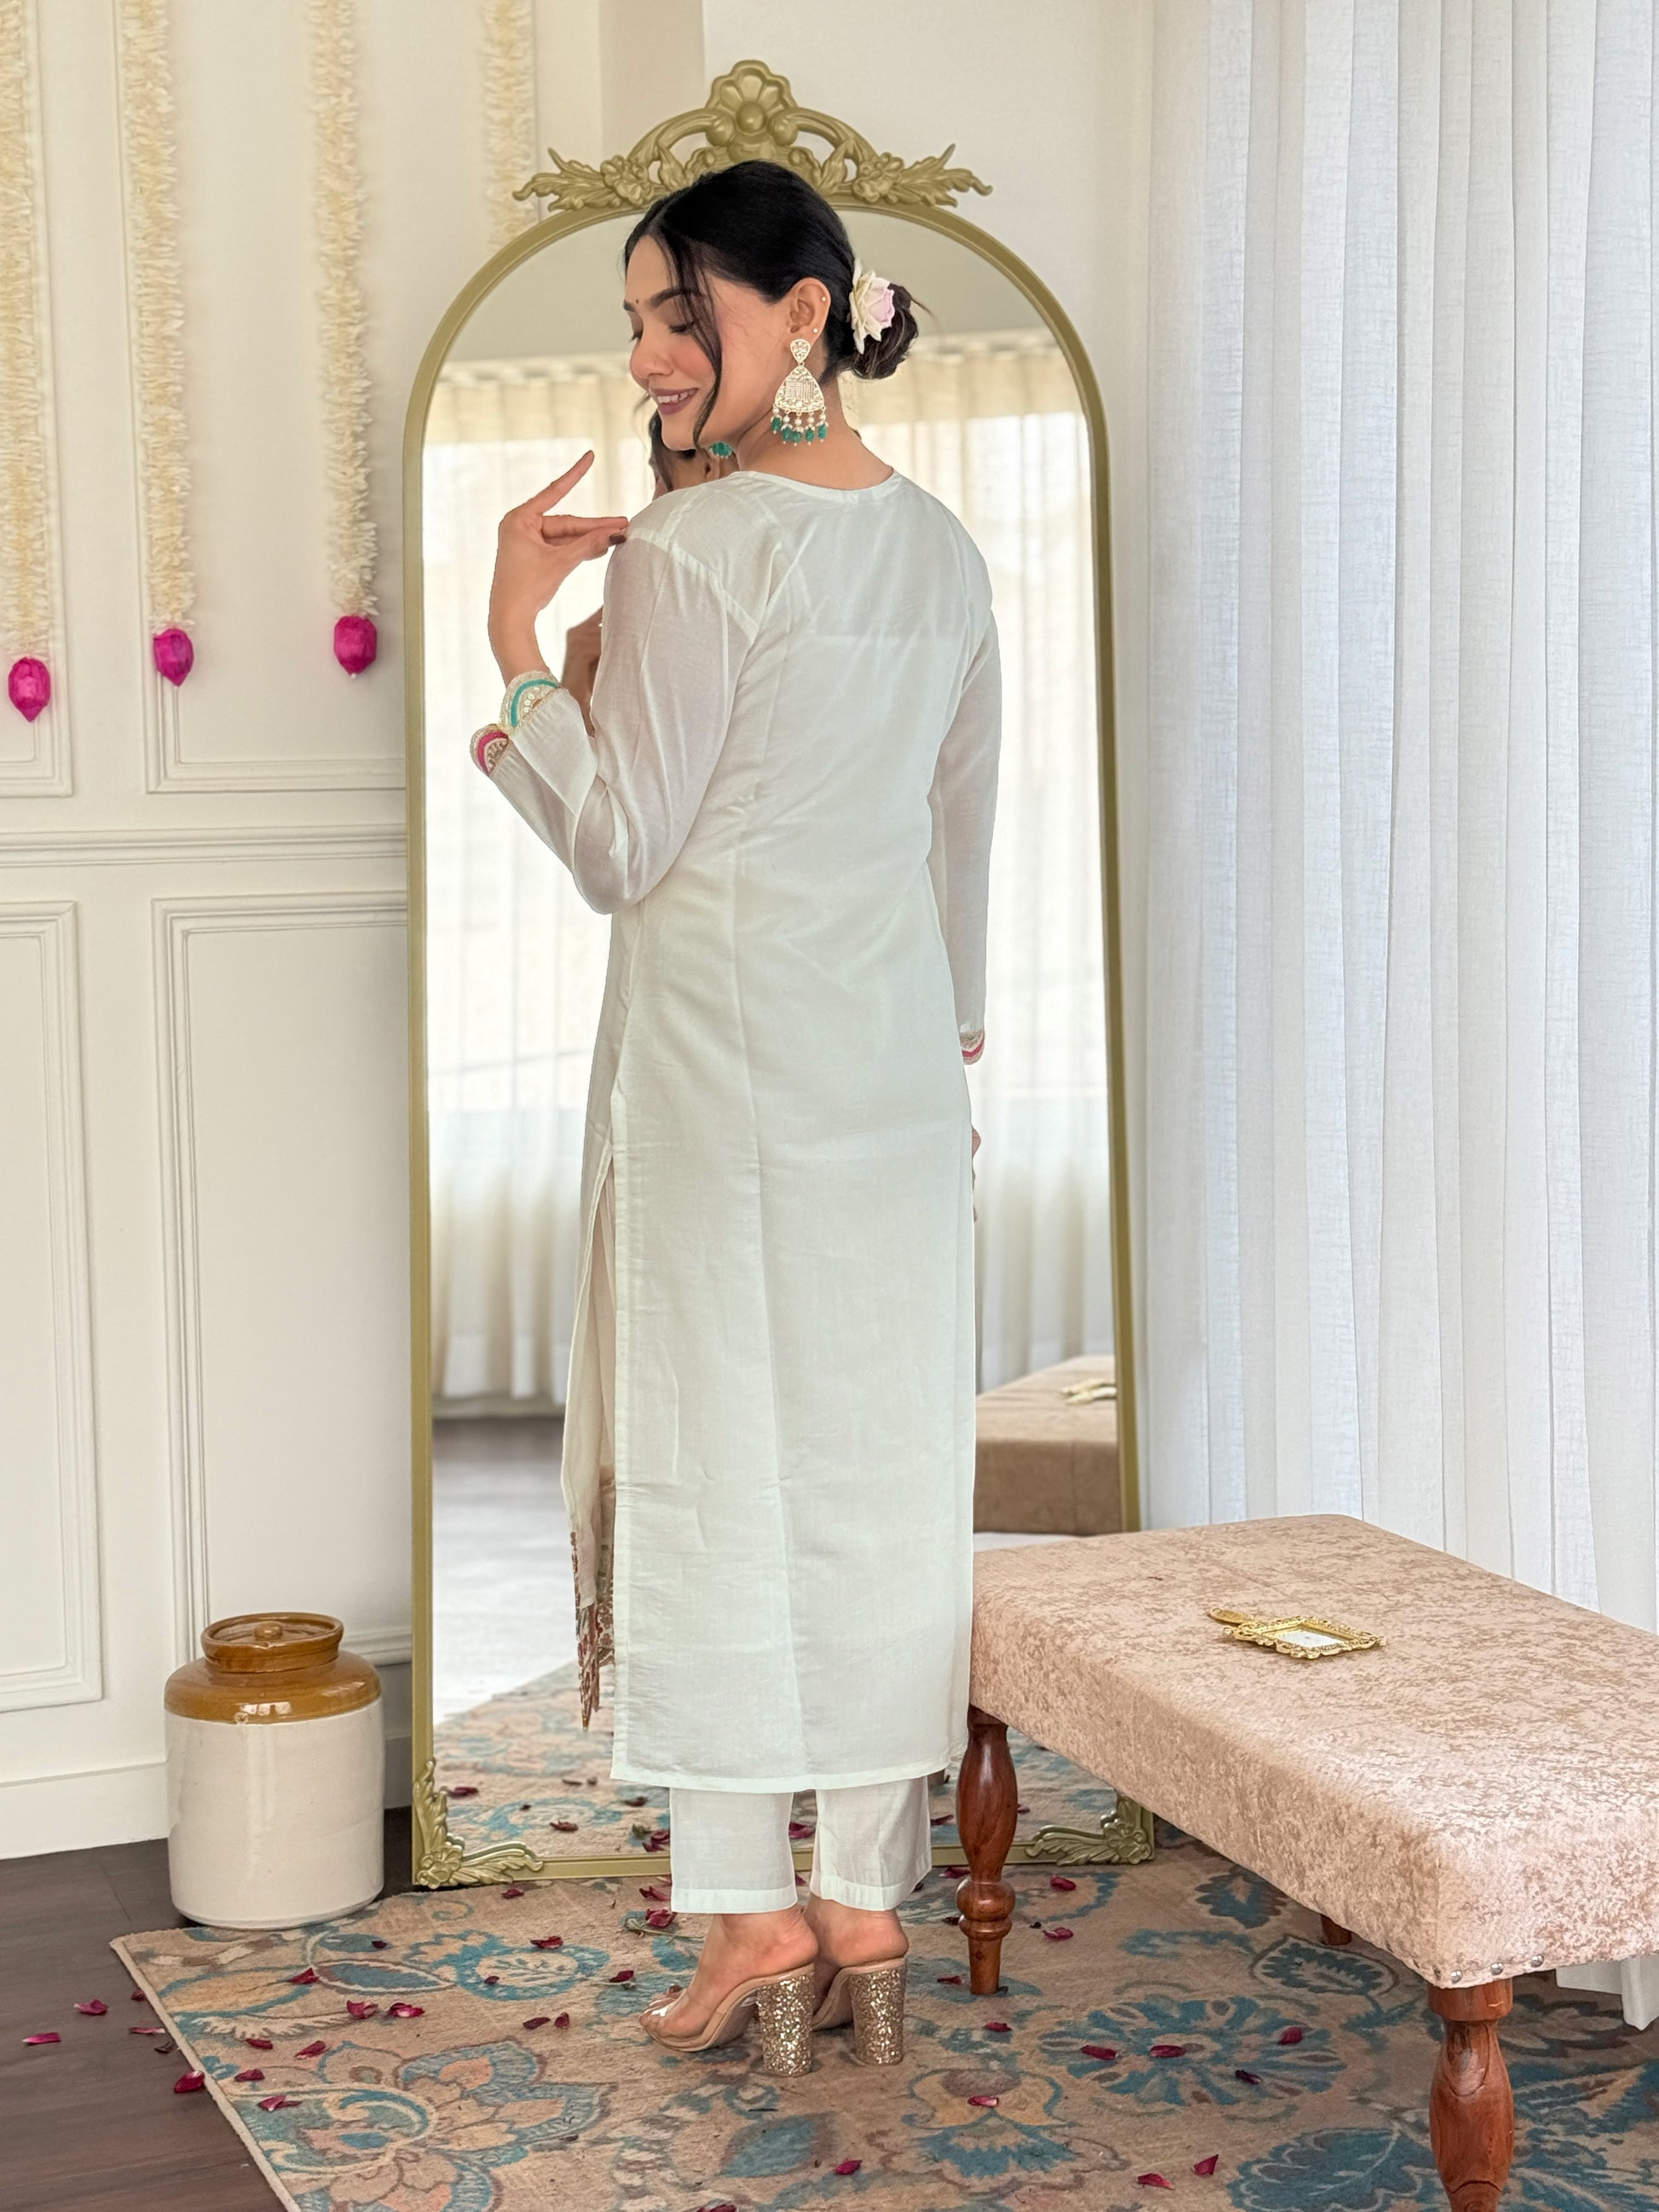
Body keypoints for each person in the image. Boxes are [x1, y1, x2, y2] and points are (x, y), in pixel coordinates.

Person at [472, 159, 1000, 2076]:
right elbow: (960, 842)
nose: (647, 355)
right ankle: (863, 1897)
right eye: (634, 321)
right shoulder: (941, 553)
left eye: (676, 312)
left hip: (718, 1080)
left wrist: (519, 656)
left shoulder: (693, 554)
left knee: (714, 1472)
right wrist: (948, 1042)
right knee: (870, 1484)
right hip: (887, 1084)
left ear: (804, 312)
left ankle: (747, 1916)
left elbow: (623, 848)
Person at [557, 415, 736, 721]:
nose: (655, 498)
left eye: (660, 476)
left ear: (710, 466)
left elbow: (632, 752)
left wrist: (512, 624)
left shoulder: (665, 556)